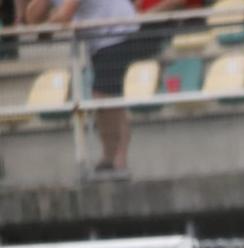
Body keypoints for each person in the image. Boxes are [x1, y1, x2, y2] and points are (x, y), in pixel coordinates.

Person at [26, 0, 160, 175]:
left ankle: (111, 160)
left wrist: (49, 23)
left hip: (120, 33)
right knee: (111, 101)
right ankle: (116, 160)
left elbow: (64, 15)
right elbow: (32, 18)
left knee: (103, 97)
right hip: (101, 41)